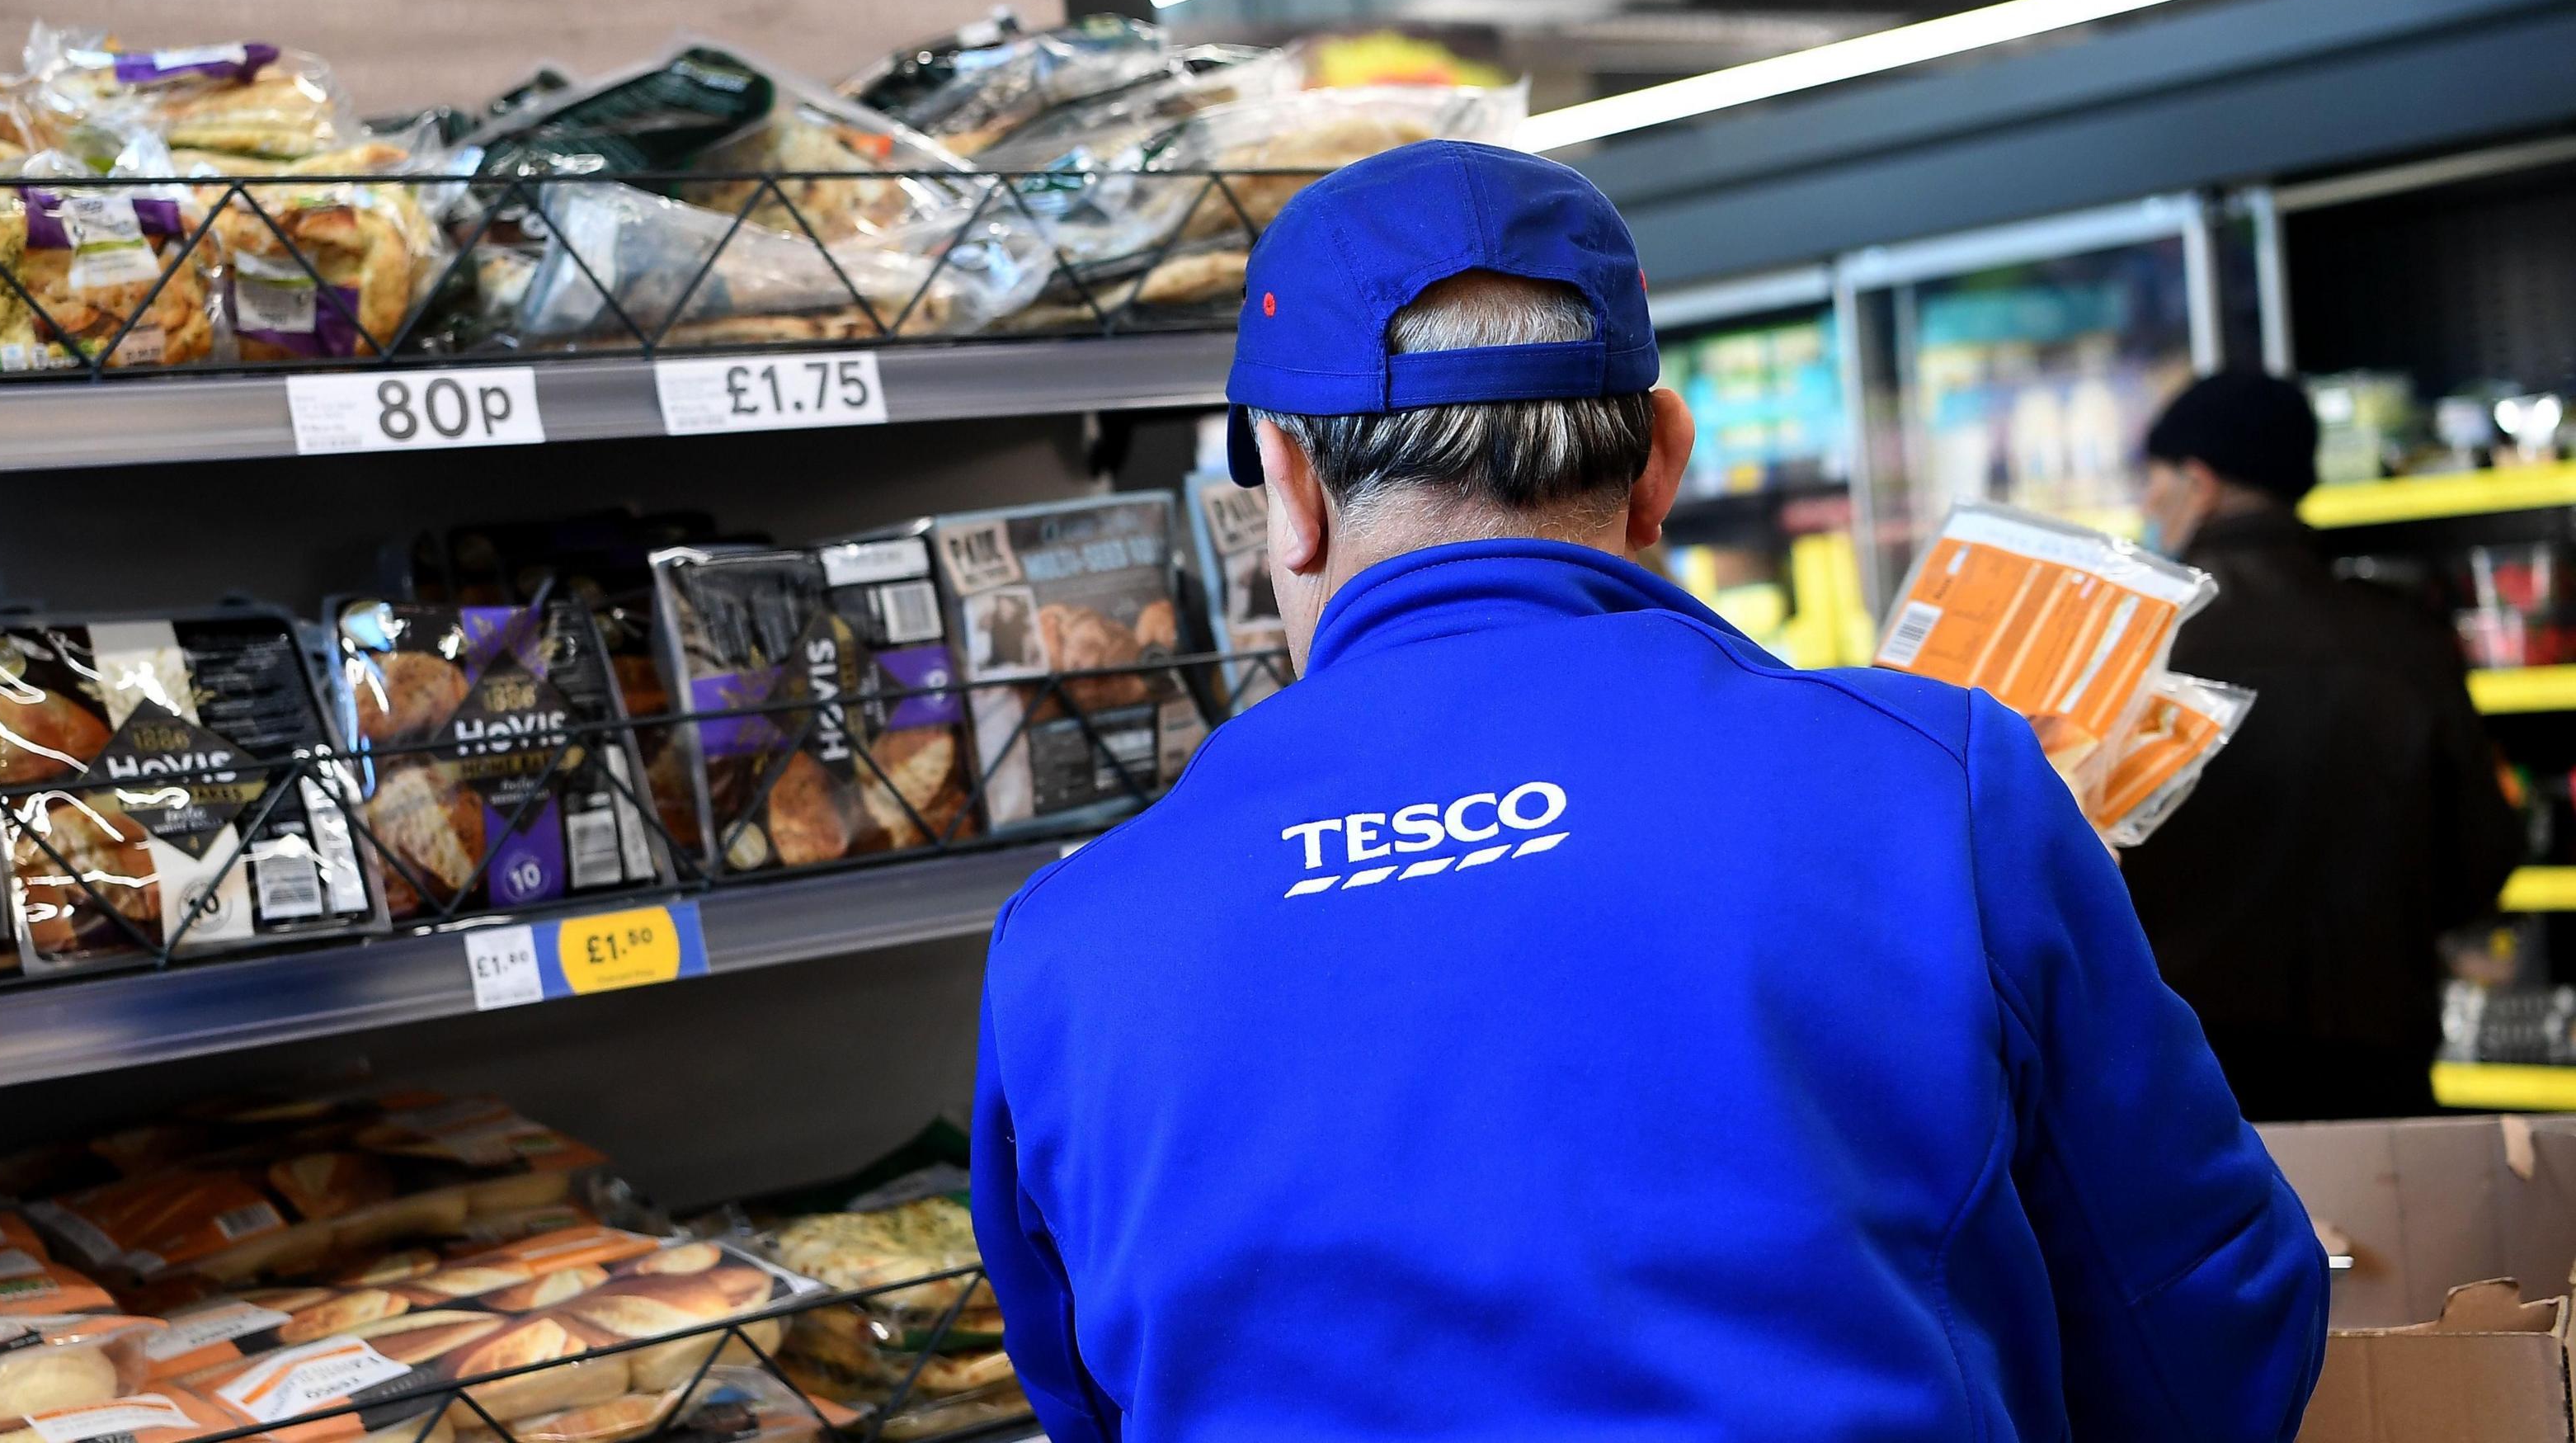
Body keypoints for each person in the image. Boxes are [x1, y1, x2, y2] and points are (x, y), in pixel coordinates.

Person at [968, 141, 2328, 1442]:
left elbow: (1095, 1400)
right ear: (1662, 462)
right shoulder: (1934, 789)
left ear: (1289, 487)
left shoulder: (1072, 939)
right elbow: (2207, 1325)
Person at [2124, 371, 2522, 1121]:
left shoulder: (2138, 647)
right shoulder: (2407, 639)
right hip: (2378, 1069)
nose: (2147, 501)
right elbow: (2480, 868)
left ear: (2199, 482)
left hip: (2189, 1081)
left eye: (2155, 477)